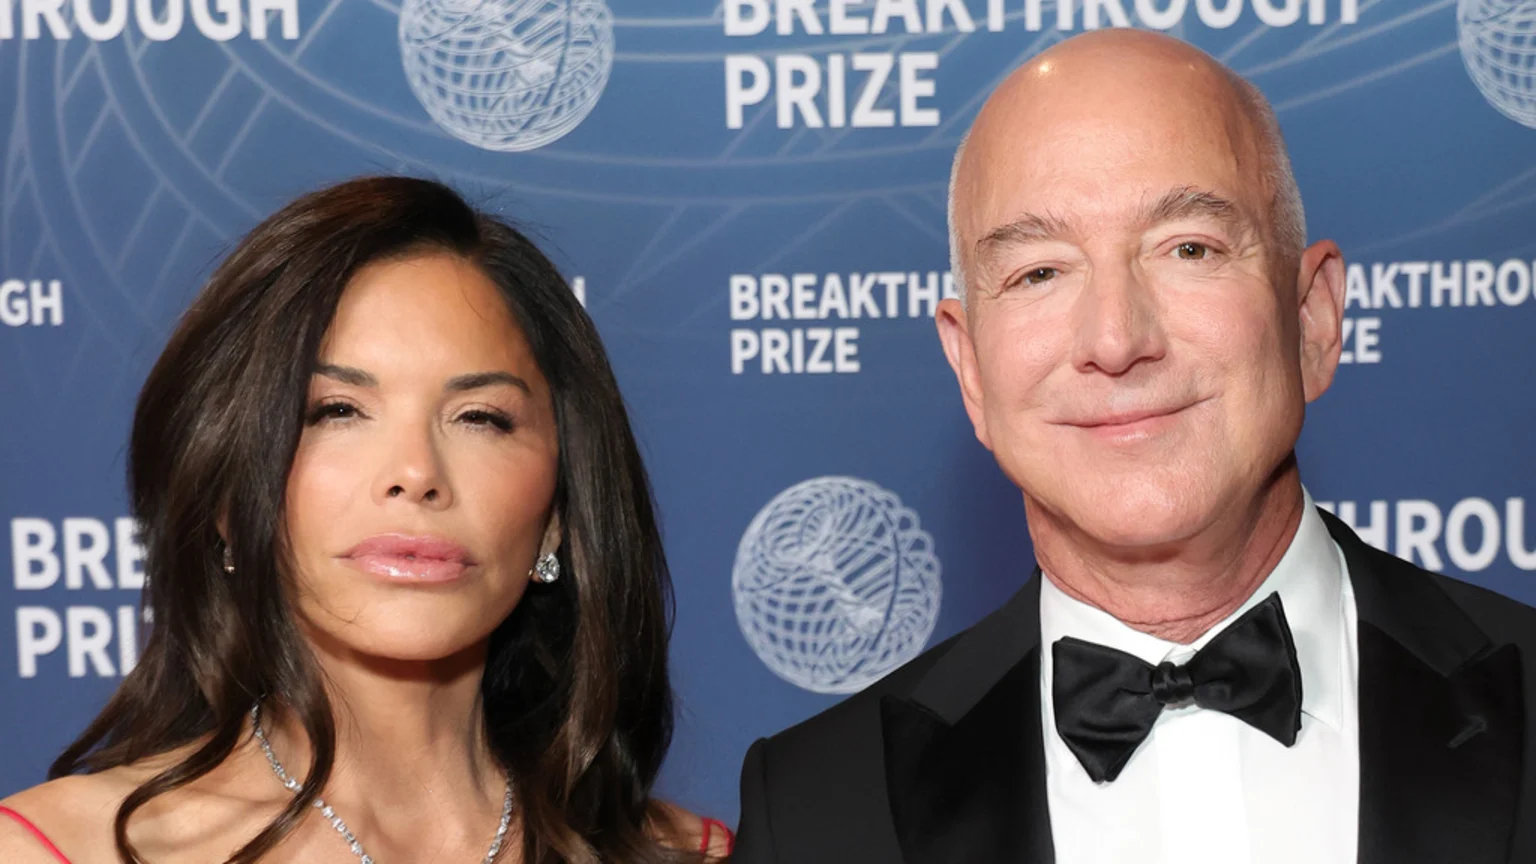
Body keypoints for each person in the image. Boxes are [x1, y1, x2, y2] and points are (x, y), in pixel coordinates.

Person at [732, 29, 1536, 864]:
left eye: (1189, 248)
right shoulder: (815, 809)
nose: (1115, 340)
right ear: (970, 367)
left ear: (1312, 322)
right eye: (1039, 271)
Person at [0, 177, 732, 863]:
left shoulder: (695, 853)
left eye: (479, 417)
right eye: (337, 411)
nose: (415, 473)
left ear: (559, 515)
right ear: (227, 496)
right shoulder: (60, 847)